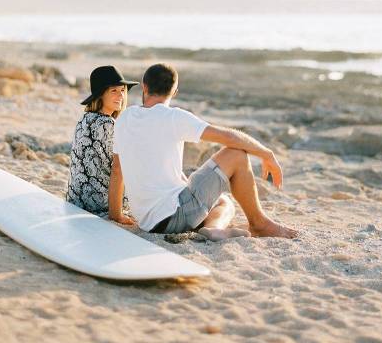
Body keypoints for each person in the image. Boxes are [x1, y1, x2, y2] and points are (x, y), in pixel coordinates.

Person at [114, 63, 299, 241]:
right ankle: (259, 223)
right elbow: (229, 137)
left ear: (144, 87)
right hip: (175, 216)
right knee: (236, 155)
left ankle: (214, 229)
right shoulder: (173, 117)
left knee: (223, 202)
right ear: (174, 92)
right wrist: (266, 153)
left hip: (147, 222)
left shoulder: (125, 118)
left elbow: (117, 170)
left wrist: (115, 215)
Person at [66, 65, 138, 225]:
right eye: (114, 91)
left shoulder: (84, 119)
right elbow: (117, 169)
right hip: (99, 205)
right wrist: (117, 215)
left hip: (76, 199)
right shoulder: (109, 124)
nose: (120, 95)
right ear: (101, 94)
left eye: (122, 90)